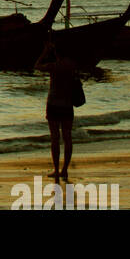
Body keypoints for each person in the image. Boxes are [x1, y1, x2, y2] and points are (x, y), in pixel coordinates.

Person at [34, 38, 80, 180]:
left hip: (53, 104)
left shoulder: (53, 66)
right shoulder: (72, 65)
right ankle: (64, 169)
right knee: (67, 137)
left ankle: (56, 169)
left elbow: (37, 66)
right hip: (67, 105)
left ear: (56, 53)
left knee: (55, 138)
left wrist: (45, 52)